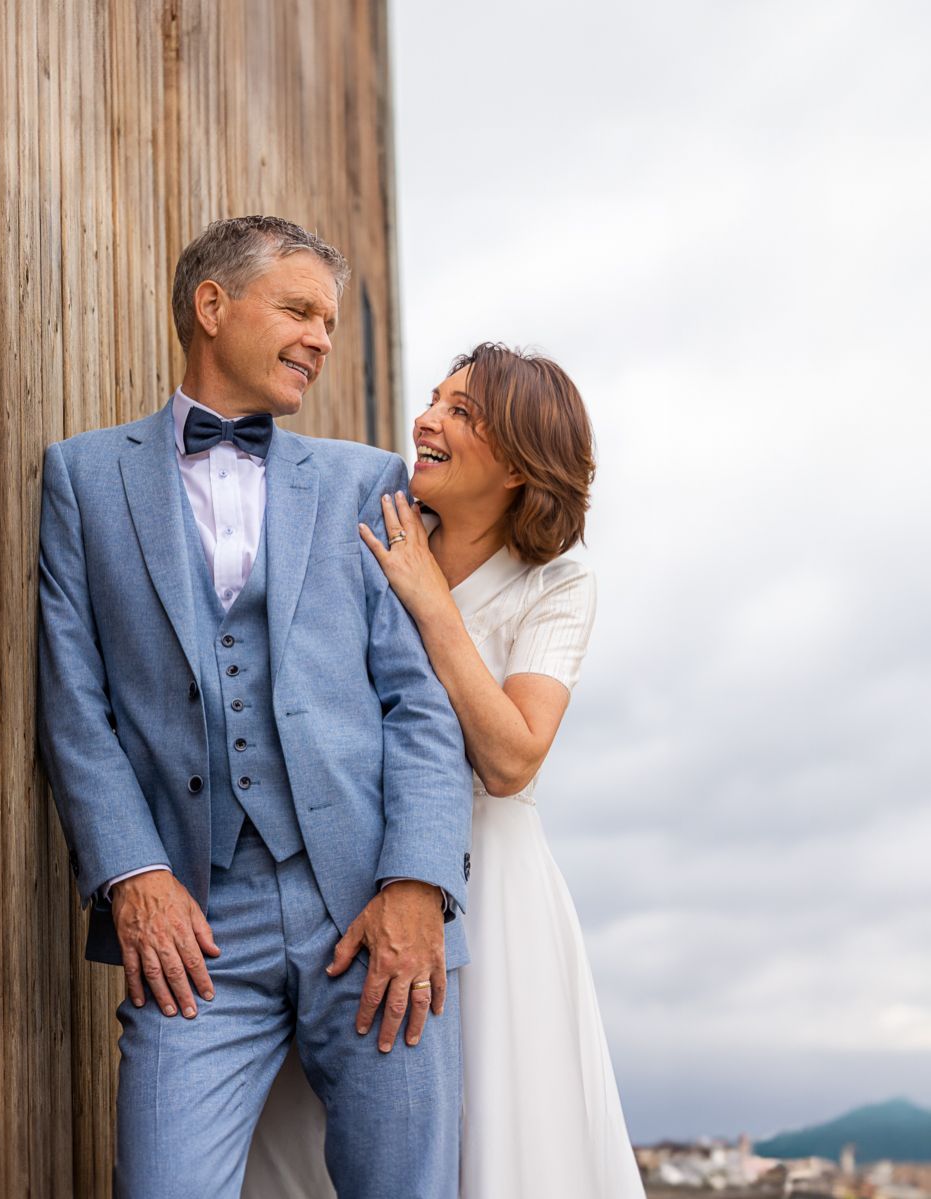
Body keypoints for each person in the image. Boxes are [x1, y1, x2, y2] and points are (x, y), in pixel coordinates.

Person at [35, 214, 473, 1199]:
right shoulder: (82, 477)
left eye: (329, 318)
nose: (322, 336)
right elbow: (75, 701)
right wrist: (132, 870)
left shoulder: (369, 482)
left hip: (370, 908)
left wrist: (416, 882)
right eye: (300, 309)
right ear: (211, 305)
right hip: (191, 921)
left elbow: (419, 704)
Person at [243, 344, 645, 1198]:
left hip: (492, 888)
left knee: (497, 1131)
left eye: (462, 413)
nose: (426, 420)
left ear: (517, 464)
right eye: (434, 399)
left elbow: (510, 757)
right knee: (301, 1139)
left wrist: (427, 599)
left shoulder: (557, 585)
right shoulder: (367, 530)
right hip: (349, 865)